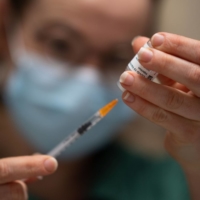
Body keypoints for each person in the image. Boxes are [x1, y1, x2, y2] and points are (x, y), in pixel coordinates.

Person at [0, 0, 199, 200]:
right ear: (4, 28)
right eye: (60, 44)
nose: (88, 81)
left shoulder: (170, 186)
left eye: (117, 57)